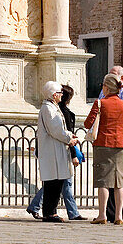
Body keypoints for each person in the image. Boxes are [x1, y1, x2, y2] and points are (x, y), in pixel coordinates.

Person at [27, 84, 87, 221]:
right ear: (54, 95)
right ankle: (49, 213)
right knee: (53, 183)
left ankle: (50, 212)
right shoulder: (48, 109)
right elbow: (56, 129)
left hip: (56, 150)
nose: (61, 95)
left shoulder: (52, 108)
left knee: (56, 182)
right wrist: (69, 138)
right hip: (52, 151)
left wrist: (69, 137)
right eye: (60, 93)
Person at [84, 73, 123, 225]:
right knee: (120, 182)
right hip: (121, 145)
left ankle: (102, 215)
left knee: (103, 181)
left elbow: (88, 124)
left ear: (106, 87)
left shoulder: (100, 103)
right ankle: (119, 216)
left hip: (103, 144)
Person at [100, 65, 123, 223]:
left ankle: (121, 214)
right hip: (109, 140)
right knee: (106, 179)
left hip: (119, 141)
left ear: (122, 78)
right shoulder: (104, 91)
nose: (110, 76)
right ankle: (109, 213)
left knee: (119, 180)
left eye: (113, 74)